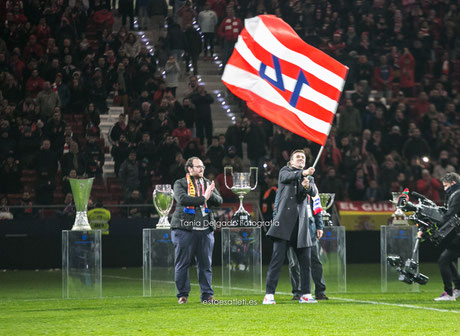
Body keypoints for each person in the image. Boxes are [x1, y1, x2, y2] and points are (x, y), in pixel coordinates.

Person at [263, 149, 317, 304]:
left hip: (301, 224)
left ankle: (306, 294)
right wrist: (303, 174)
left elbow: (312, 192)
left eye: (303, 157)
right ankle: (269, 295)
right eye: (297, 157)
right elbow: (286, 178)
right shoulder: (285, 171)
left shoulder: (308, 177)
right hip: (284, 224)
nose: (301, 159)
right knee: (277, 261)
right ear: (291, 162)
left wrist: (307, 186)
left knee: (305, 263)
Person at [170, 156, 223, 304]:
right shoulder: (180, 183)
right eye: (198, 166)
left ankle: (207, 296)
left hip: (205, 230)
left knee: (206, 265)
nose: (201, 169)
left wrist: (209, 193)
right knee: (182, 264)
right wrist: (203, 197)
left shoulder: (207, 183)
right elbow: (182, 199)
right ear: (189, 168)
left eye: (203, 167)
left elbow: (219, 201)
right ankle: (182, 295)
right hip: (184, 229)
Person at [286, 188, 328, 301]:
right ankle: (298, 292)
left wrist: (319, 226)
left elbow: (317, 208)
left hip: (310, 230)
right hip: (292, 230)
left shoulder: (311, 186)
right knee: (294, 263)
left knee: (315, 261)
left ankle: (320, 291)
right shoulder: (287, 184)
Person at [428, 173, 460, 301]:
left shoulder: (457, 194)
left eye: (446, 185)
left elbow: (451, 214)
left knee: (444, 260)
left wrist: (437, 222)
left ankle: (449, 293)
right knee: (446, 259)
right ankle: (457, 288)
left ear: (453, 183)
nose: (445, 189)